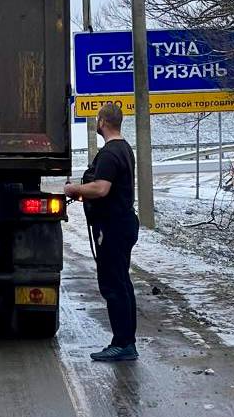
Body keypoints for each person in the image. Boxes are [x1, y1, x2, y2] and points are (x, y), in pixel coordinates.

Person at [64, 102, 140, 361]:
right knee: (122, 282)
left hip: (113, 226)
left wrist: (74, 190)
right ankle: (127, 341)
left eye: (97, 120)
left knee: (114, 285)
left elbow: (101, 188)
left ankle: (122, 343)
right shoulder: (125, 149)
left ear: (102, 122)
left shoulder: (109, 153)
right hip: (124, 222)